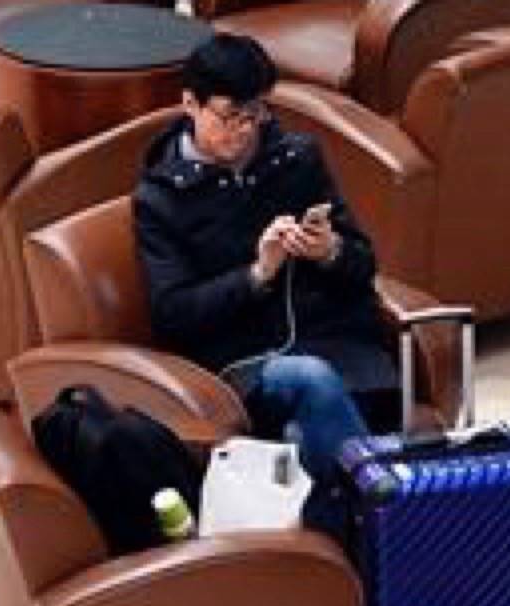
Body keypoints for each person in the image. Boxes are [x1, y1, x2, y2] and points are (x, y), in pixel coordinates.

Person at [133, 33, 399, 489]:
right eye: (229, 116)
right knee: (312, 381)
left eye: (254, 114)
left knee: (346, 397)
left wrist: (329, 252)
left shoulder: (297, 158)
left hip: (330, 338)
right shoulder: (160, 199)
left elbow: (363, 264)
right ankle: (379, 505)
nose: (243, 130)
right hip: (242, 362)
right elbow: (173, 316)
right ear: (190, 104)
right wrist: (257, 275)